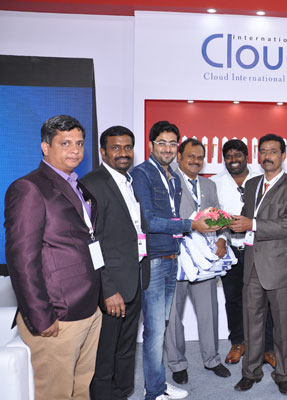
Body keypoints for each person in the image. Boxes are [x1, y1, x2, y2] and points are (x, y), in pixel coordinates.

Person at [5, 114, 102, 399]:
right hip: (57, 316)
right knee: (55, 393)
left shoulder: (77, 185)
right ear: (45, 147)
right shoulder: (29, 188)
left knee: (81, 388)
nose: (75, 150)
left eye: (79, 143)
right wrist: (40, 316)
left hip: (89, 308)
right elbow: (22, 259)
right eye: (65, 143)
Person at [131, 121, 211, 400]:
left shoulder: (174, 177)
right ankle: (153, 392)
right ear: (151, 145)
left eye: (172, 143)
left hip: (171, 257)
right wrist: (191, 224)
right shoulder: (142, 174)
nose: (167, 148)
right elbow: (149, 221)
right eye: (161, 143)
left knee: (161, 327)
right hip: (153, 260)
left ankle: (158, 384)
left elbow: (171, 218)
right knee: (154, 331)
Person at [229, 133, 287, 395]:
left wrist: (251, 224)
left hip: (280, 265)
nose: (267, 156)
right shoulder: (252, 184)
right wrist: (228, 221)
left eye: (273, 151)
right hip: (252, 263)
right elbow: (247, 216)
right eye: (263, 151)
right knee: (251, 322)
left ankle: (283, 374)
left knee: (282, 326)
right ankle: (250, 372)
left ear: (283, 155)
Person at [82, 126, 150, 399]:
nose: (123, 153)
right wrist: (107, 289)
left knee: (126, 348)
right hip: (111, 287)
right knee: (105, 352)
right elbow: (91, 241)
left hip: (134, 279)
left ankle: (122, 393)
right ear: (103, 152)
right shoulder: (92, 184)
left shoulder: (129, 181)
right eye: (116, 148)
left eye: (128, 147)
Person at [165, 137, 231, 383]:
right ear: (179, 157)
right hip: (175, 257)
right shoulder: (167, 181)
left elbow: (220, 217)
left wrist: (223, 237)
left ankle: (212, 359)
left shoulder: (209, 185)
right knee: (173, 315)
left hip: (205, 259)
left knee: (208, 311)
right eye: (190, 156)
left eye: (200, 157)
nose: (195, 161)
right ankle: (177, 364)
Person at [210, 139, 277, 368]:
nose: (233, 160)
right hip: (230, 250)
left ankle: (268, 347)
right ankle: (238, 342)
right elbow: (213, 217)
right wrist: (221, 236)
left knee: (264, 300)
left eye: (238, 155)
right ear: (224, 159)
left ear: (247, 157)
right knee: (233, 300)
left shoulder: (261, 179)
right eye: (229, 156)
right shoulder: (215, 183)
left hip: (257, 249)